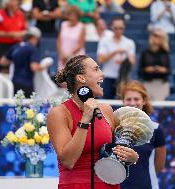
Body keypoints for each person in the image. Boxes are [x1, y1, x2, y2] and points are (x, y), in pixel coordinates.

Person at [47, 55, 139, 189]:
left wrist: (130, 158)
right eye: (96, 69)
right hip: (76, 185)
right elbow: (68, 161)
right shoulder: (59, 113)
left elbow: (112, 153)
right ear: (81, 78)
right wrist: (85, 120)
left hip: (108, 184)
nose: (102, 74)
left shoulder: (106, 110)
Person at [117, 80, 166, 189]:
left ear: (144, 101)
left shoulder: (156, 129)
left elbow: (159, 166)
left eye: (136, 99)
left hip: (147, 185)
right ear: (123, 102)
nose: (132, 103)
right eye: (128, 99)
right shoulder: (114, 128)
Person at [0, 27, 52, 98]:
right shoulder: (32, 49)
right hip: (26, 84)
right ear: (34, 38)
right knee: (27, 108)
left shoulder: (16, 47)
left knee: (17, 105)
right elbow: (34, 67)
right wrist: (45, 65)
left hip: (14, 82)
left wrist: (17, 59)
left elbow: (3, 62)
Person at [97, 17, 136, 99]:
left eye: (121, 28)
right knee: (107, 103)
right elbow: (100, 59)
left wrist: (125, 57)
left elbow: (132, 62)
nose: (118, 30)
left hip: (123, 78)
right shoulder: (104, 41)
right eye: (116, 28)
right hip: (108, 76)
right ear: (112, 28)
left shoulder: (129, 42)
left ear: (124, 28)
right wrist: (115, 52)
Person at [0, 0, 27, 73]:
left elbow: (25, 30)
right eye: (14, 1)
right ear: (7, 3)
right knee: (4, 67)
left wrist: (19, 34)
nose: (16, 3)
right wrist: (10, 34)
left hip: (17, 45)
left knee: (18, 67)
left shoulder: (20, 14)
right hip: (4, 46)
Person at [138, 28, 170, 101]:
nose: (157, 38)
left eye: (159, 36)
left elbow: (168, 70)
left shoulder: (165, 53)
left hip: (161, 84)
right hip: (148, 82)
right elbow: (140, 70)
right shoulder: (145, 52)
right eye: (155, 35)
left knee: (160, 108)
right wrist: (147, 69)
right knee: (147, 107)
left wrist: (161, 70)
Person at [57, 5, 85, 70]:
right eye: (69, 14)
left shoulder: (81, 26)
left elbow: (80, 45)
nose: (70, 17)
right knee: (62, 78)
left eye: (72, 15)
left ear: (77, 16)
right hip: (63, 57)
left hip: (76, 58)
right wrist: (61, 54)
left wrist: (68, 56)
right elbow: (59, 41)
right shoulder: (63, 24)